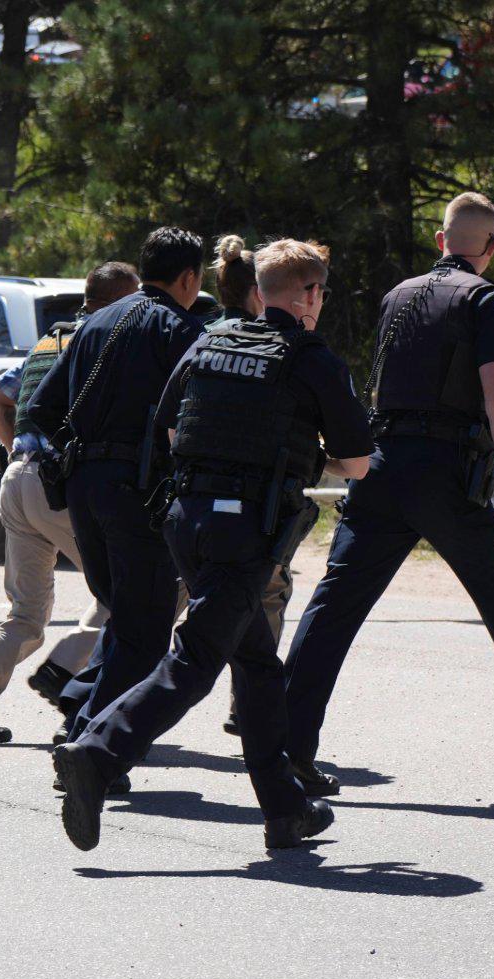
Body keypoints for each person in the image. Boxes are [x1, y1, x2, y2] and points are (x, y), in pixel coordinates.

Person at [282, 193, 494, 787]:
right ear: (490, 248)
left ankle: (283, 748)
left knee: (333, 607)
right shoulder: (489, 301)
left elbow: (409, 391)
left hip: (384, 466)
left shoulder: (397, 296)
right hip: (443, 477)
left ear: (440, 241)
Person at [53, 239, 374, 851]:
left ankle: (284, 810)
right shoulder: (309, 359)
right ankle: (97, 751)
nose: (322, 303)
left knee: (255, 664)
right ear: (308, 295)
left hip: (186, 526)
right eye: (322, 292)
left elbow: (171, 425)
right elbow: (357, 464)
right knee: (196, 662)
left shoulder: (210, 341)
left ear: (258, 289)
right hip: (246, 536)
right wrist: (307, 459)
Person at [0, 262, 140, 743]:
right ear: (118, 300)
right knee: (125, 592)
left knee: (26, 614)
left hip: (16, 482)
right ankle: (69, 678)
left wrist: (14, 451)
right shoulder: (103, 340)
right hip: (60, 488)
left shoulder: (51, 340)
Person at [26, 228, 208, 757]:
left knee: (125, 615)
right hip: (139, 491)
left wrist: (84, 449)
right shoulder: (181, 329)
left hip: (84, 488)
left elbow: (40, 407)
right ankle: (90, 747)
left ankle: (82, 712)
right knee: (146, 630)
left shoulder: (96, 321)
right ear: (188, 278)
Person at [207, 235, 303, 749]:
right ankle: (249, 709)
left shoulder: (203, 337)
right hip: (249, 510)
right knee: (266, 595)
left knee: (155, 609)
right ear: (259, 293)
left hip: (187, 506)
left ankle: (93, 696)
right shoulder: (271, 343)